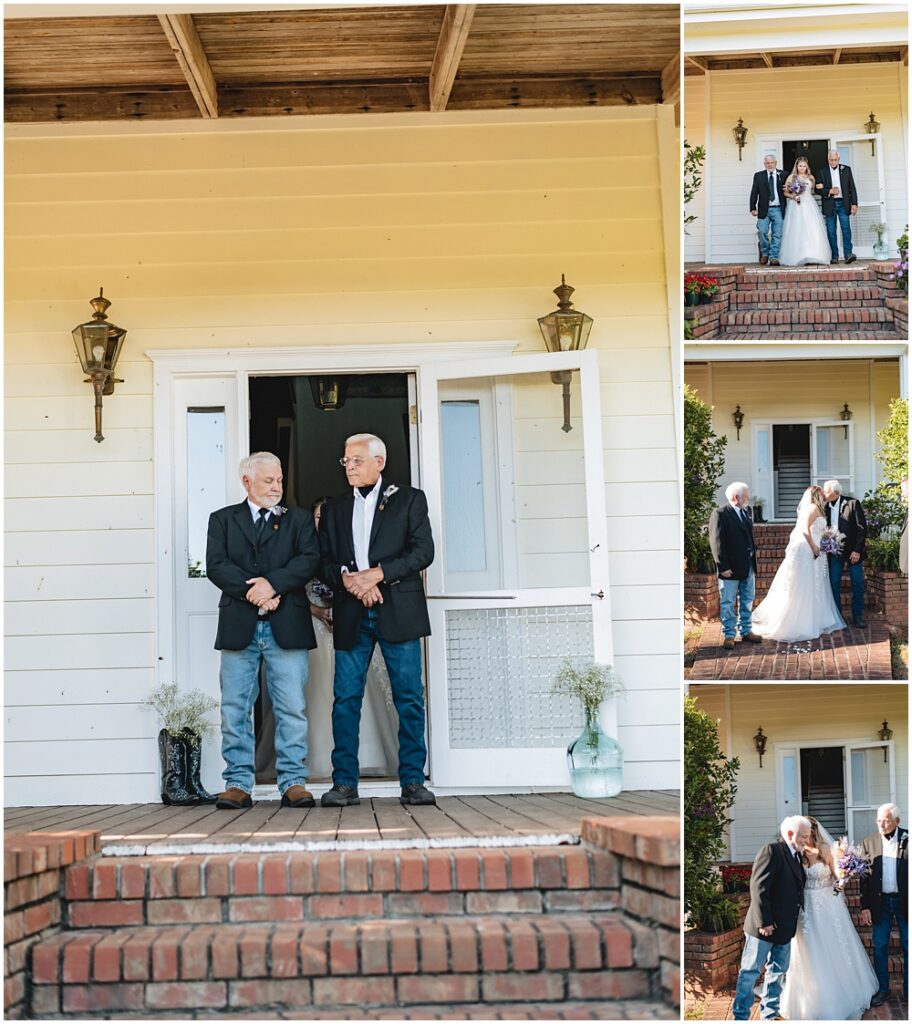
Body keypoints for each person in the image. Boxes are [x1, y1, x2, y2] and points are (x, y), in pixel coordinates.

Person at [318, 432, 436, 807]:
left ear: (379, 462)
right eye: (346, 461)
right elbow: (321, 559)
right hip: (353, 613)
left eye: (357, 460)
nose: (349, 467)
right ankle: (344, 783)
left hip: (398, 610)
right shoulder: (334, 508)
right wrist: (351, 580)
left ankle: (413, 781)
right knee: (346, 699)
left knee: (408, 698)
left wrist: (378, 574)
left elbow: (423, 552)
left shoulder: (409, 499)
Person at [205, 452, 320, 810]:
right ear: (246, 482)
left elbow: (308, 560)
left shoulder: (299, 520)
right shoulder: (222, 520)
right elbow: (216, 565)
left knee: (291, 707)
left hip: (286, 624)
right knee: (235, 707)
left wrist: (272, 586)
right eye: (269, 480)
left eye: (279, 480)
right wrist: (254, 593)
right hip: (240, 625)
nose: (276, 486)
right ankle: (238, 782)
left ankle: (293, 781)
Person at [305, 497, 399, 781]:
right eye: (318, 517)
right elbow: (296, 589)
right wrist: (320, 611)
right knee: (323, 687)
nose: (322, 522)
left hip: (351, 618)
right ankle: (321, 759)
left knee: (359, 687)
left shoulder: (345, 544)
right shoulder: (307, 546)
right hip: (317, 621)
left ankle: (368, 756)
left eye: (325, 517)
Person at [779, 817, 879, 1019]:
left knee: (834, 946)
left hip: (828, 906)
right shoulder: (797, 853)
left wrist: (842, 882)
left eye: (808, 833)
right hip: (806, 908)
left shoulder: (826, 851)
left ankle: (840, 994)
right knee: (809, 951)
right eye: (803, 834)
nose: (806, 837)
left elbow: (839, 876)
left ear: (814, 832)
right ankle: (810, 999)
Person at [733, 815, 810, 1020]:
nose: (806, 841)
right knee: (750, 973)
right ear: (791, 834)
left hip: (784, 928)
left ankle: (769, 1014)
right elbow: (758, 888)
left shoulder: (796, 855)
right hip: (764, 928)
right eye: (803, 836)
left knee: (777, 973)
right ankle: (740, 1016)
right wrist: (764, 922)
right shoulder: (771, 851)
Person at [751, 485, 845, 642]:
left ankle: (817, 618)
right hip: (808, 549)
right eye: (822, 493)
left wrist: (828, 539)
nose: (824, 496)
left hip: (817, 550)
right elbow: (804, 529)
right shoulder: (813, 508)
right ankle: (801, 621)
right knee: (805, 584)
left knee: (817, 583)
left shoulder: (819, 509)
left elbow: (819, 529)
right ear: (816, 495)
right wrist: (814, 546)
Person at [859, 803, 908, 1007]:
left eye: (886, 820)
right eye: (879, 820)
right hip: (880, 903)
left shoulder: (908, 837)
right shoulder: (868, 842)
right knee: (879, 946)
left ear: (897, 821)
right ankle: (883, 989)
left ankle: (909, 990)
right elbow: (864, 878)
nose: (881, 824)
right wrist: (865, 906)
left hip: (906, 901)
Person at [708, 482, 763, 650]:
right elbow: (716, 543)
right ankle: (729, 634)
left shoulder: (746, 511)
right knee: (728, 602)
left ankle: (746, 631)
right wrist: (722, 566)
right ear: (736, 497)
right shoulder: (720, 514)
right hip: (729, 568)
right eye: (746, 495)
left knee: (747, 600)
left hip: (748, 566)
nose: (749, 498)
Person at [822, 480, 868, 628]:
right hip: (834, 551)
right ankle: (838, 617)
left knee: (858, 583)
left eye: (826, 491)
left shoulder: (853, 503)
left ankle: (858, 616)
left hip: (853, 551)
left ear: (837, 493)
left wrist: (857, 550)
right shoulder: (824, 507)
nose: (824, 493)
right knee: (834, 582)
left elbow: (862, 529)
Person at [778, 157, 832, 267]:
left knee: (811, 228)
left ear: (807, 167)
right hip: (796, 204)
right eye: (800, 166)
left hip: (809, 204)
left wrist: (821, 187)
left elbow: (814, 190)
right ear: (796, 166)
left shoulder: (811, 177)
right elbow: (785, 192)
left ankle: (814, 254)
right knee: (797, 229)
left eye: (804, 166)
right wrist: (793, 196)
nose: (802, 168)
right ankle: (797, 256)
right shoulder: (791, 177)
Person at [814, 150, 859, 264]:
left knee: (846, 229)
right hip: (830, 204)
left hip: (843, 203)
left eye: (835, 160)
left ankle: (848, 254)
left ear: (838, 159)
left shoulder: (846, 169)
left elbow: (852, 188)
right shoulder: (822, 171)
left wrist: (854, 204)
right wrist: (829, 190)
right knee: (831, 231)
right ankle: (834, 256)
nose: (833, 162)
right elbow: (817, 189)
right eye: (831, 160)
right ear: (828, 159)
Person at [750, 155, 787, 266]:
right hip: (763, 209)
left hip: (778, 209)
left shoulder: (784, 174)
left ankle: (774, 257)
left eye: (772, 162)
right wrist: (752, 207)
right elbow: (754, 192)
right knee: (762, 231)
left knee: (777, 234)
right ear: (764, 164)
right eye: (767, 163)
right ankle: (765, 253)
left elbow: (789, 188)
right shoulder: (758, 176)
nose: (770, 165)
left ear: (776, 163)